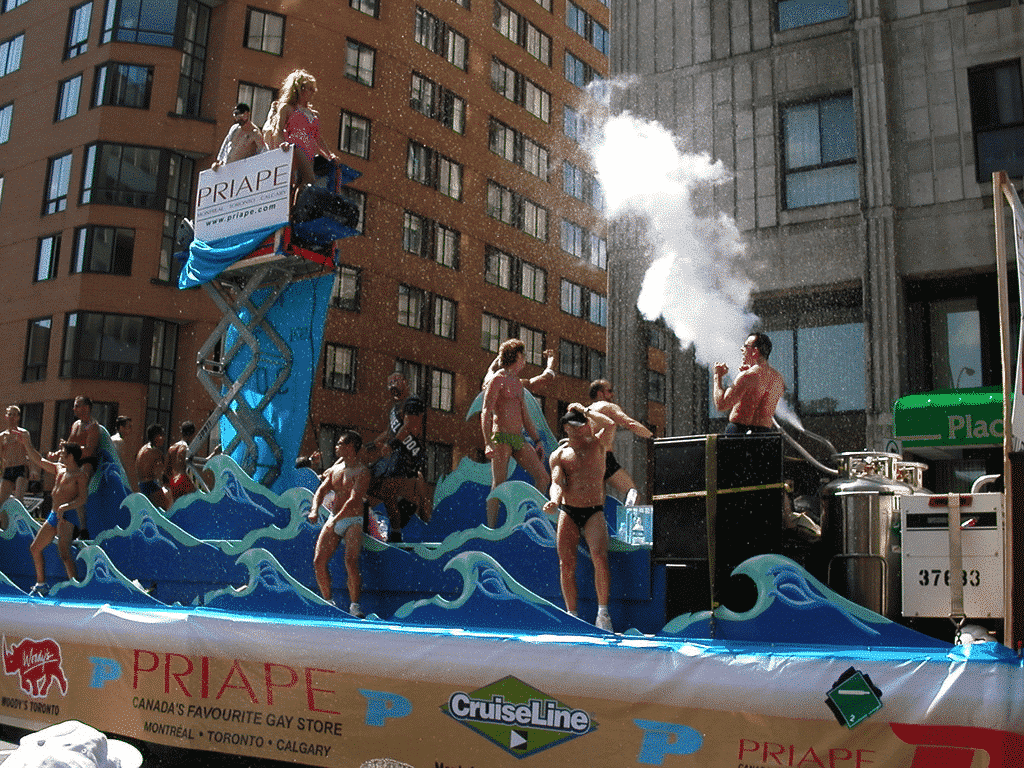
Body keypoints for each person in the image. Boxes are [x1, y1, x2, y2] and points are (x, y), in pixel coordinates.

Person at [543, 403, 616, 631]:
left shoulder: (598, 444)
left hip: (594, 509)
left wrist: (585, 411)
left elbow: (611, 424)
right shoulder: (560, 455)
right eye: (572, 425)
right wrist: (554, 501)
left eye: (581, 425)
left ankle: (602, 613)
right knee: (566, 563)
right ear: (565, 427)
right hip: (569, 510)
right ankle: (571, 614)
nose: (577, 429)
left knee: (600, 558)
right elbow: (557, 482)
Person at [481, 338, 550, 529]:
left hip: (518, 438)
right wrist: (487, 442)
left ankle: (531, 517)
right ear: (516, 357)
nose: (525, 360)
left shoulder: (517, 384)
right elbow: (486, 411)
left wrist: (537, 440)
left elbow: (526, 416)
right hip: (501, 436)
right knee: (499, 484)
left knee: (543, 477)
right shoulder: (498, 379)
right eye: (523, 356)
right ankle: (492, 528)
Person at [307, 430, 370, 617]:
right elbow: (321, 491)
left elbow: (354, 500)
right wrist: (314, 509)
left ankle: (354, 606)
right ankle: (329, 602)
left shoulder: (363, 472)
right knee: (318, 561)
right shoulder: (334, 470)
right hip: (334, 518)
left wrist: (338, 518)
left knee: (350, 561)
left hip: (353, 520)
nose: (336, 447)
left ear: (350, 447)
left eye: (340, 443)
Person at [20, 436, 88, 597]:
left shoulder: (80, 476)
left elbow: (83, 499)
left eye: (63, 452)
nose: (60, 454)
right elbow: (40, 460)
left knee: (64, 553)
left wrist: (66, 506)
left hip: (67, 516)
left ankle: (75, 587)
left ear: (71, 456)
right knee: (35, 548)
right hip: (53, 514)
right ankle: (41, 584)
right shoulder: (59, 468)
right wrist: (27, 443)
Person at [368, 372, 432, 542]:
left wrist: (392, 445)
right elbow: (390, 431)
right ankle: (382, 524)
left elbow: (410, 427)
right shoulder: (394, 408)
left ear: (405, 382)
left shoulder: (413, 402)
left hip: (410, 456)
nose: (392, 386)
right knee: (368, 481)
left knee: (388, 489)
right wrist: (373, 444)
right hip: (395, 456)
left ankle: (400, 529)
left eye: (396, 381)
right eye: (389, 383)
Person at [265, 70, 339, 190]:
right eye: (310, 88)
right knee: (310, 179)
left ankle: (293, 208)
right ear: (300, 89)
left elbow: (318, 138)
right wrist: (282, 145)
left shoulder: (315, 114)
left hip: (309, 152)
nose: (313, 92)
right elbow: (278, 131)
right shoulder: (287, 108)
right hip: (293, 148)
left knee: (301, 184)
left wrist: (329, 155)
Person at [588, 380, 654, 503]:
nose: (612, 395)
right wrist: (652, 438)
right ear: (600, 394)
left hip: (586, 458)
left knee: (598, 503)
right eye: (609, 391)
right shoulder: (607, 407)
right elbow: (630, 423)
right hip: (603, 458)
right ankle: (628, 521)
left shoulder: (585, 411)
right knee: (632, 493)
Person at [713, 332, 786, 435]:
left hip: (739, 434)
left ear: (755, 351)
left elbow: (721, 405)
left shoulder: (747, 376)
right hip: (764, 437)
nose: (742, 349)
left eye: (746, 346)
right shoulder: (778, 379)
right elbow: (757, 400)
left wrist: (717, 376)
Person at [60, 395, 99, 538]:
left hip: (87, 462)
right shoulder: (76, 425)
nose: (74, 408)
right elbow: (69, 444)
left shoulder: (93, 427)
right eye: (74, 405)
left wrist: (73, 449)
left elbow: (89, 450)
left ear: (86, 408)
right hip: (76, 460)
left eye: (77, 405)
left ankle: (83, 529)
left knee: (78, 485)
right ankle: (68, 523)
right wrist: (62, 449)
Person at [211, 102, 266, 169]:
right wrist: (219, 162)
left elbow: (263, 150)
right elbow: (226, 144)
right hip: (226, 167)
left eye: (242, 113)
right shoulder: (234, 128)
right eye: (236, 114)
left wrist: (252, 165)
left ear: (248, 114)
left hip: (240, 169)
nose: (239, 117)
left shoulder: (254, 132)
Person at [484, 348, 556, 393]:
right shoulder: (516, 384)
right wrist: (551, 359)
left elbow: (491, 368)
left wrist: (501, 354)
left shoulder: (489, 381)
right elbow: (547, 377)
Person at [0, 405, 30, 511]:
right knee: (1, 501)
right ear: (6, 417)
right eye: (10, 414)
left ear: (18, 417)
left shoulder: (24, 433)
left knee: (18, 500)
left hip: (20, 468)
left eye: (15, 415)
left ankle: (21, 524)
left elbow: (30, 452)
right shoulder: (2, 436)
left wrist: (34, 469)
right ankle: (4, 526)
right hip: (8, 469)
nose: (12, 417)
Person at [136, 424, 170, 510]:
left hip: (141, 484)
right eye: (162, 435)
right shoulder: (155, 452)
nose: (164, 438)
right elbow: (165, 473)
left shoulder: (144, 448)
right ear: (156, 437)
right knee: (168, 507)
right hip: (150, 485)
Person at [167, 421, 196, 502]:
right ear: (193, 434)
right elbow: (193, 467)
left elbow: (167, 470)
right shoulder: (188, 448)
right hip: (184, 480)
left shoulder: (172, 448)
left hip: (174, 481)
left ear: (181, 432)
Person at [109, 415, 135, 490]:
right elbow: (125, 464)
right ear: (121, 428)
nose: (131, 430)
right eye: (129, 427)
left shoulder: (112, 439)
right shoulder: (119, 441)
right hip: (118, 477)